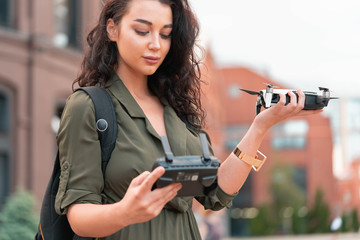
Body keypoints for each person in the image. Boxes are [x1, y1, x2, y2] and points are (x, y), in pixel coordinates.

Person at [54, 0, 322, 239]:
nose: (156, 45)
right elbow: (78, 216)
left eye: (166, 34)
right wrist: (125, 212)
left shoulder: (177, 108)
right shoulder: (89, 106)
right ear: (112, 29)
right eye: (142, 31)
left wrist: (261, 125)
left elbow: (215, 194)